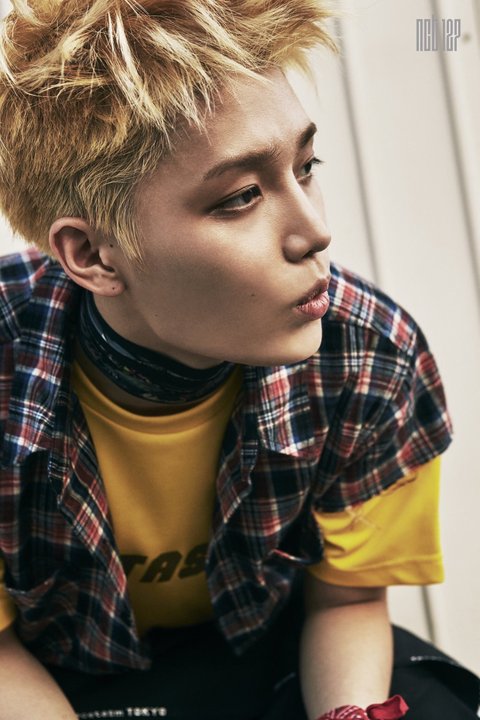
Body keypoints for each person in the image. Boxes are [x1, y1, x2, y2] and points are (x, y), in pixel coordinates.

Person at [0, 1, 477, 719]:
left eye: (306, 167)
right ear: (93, 254)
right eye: (241, 197)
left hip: (267, 655)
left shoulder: (369, 355)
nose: (315, 231)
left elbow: (347, 601)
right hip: (49, 676)